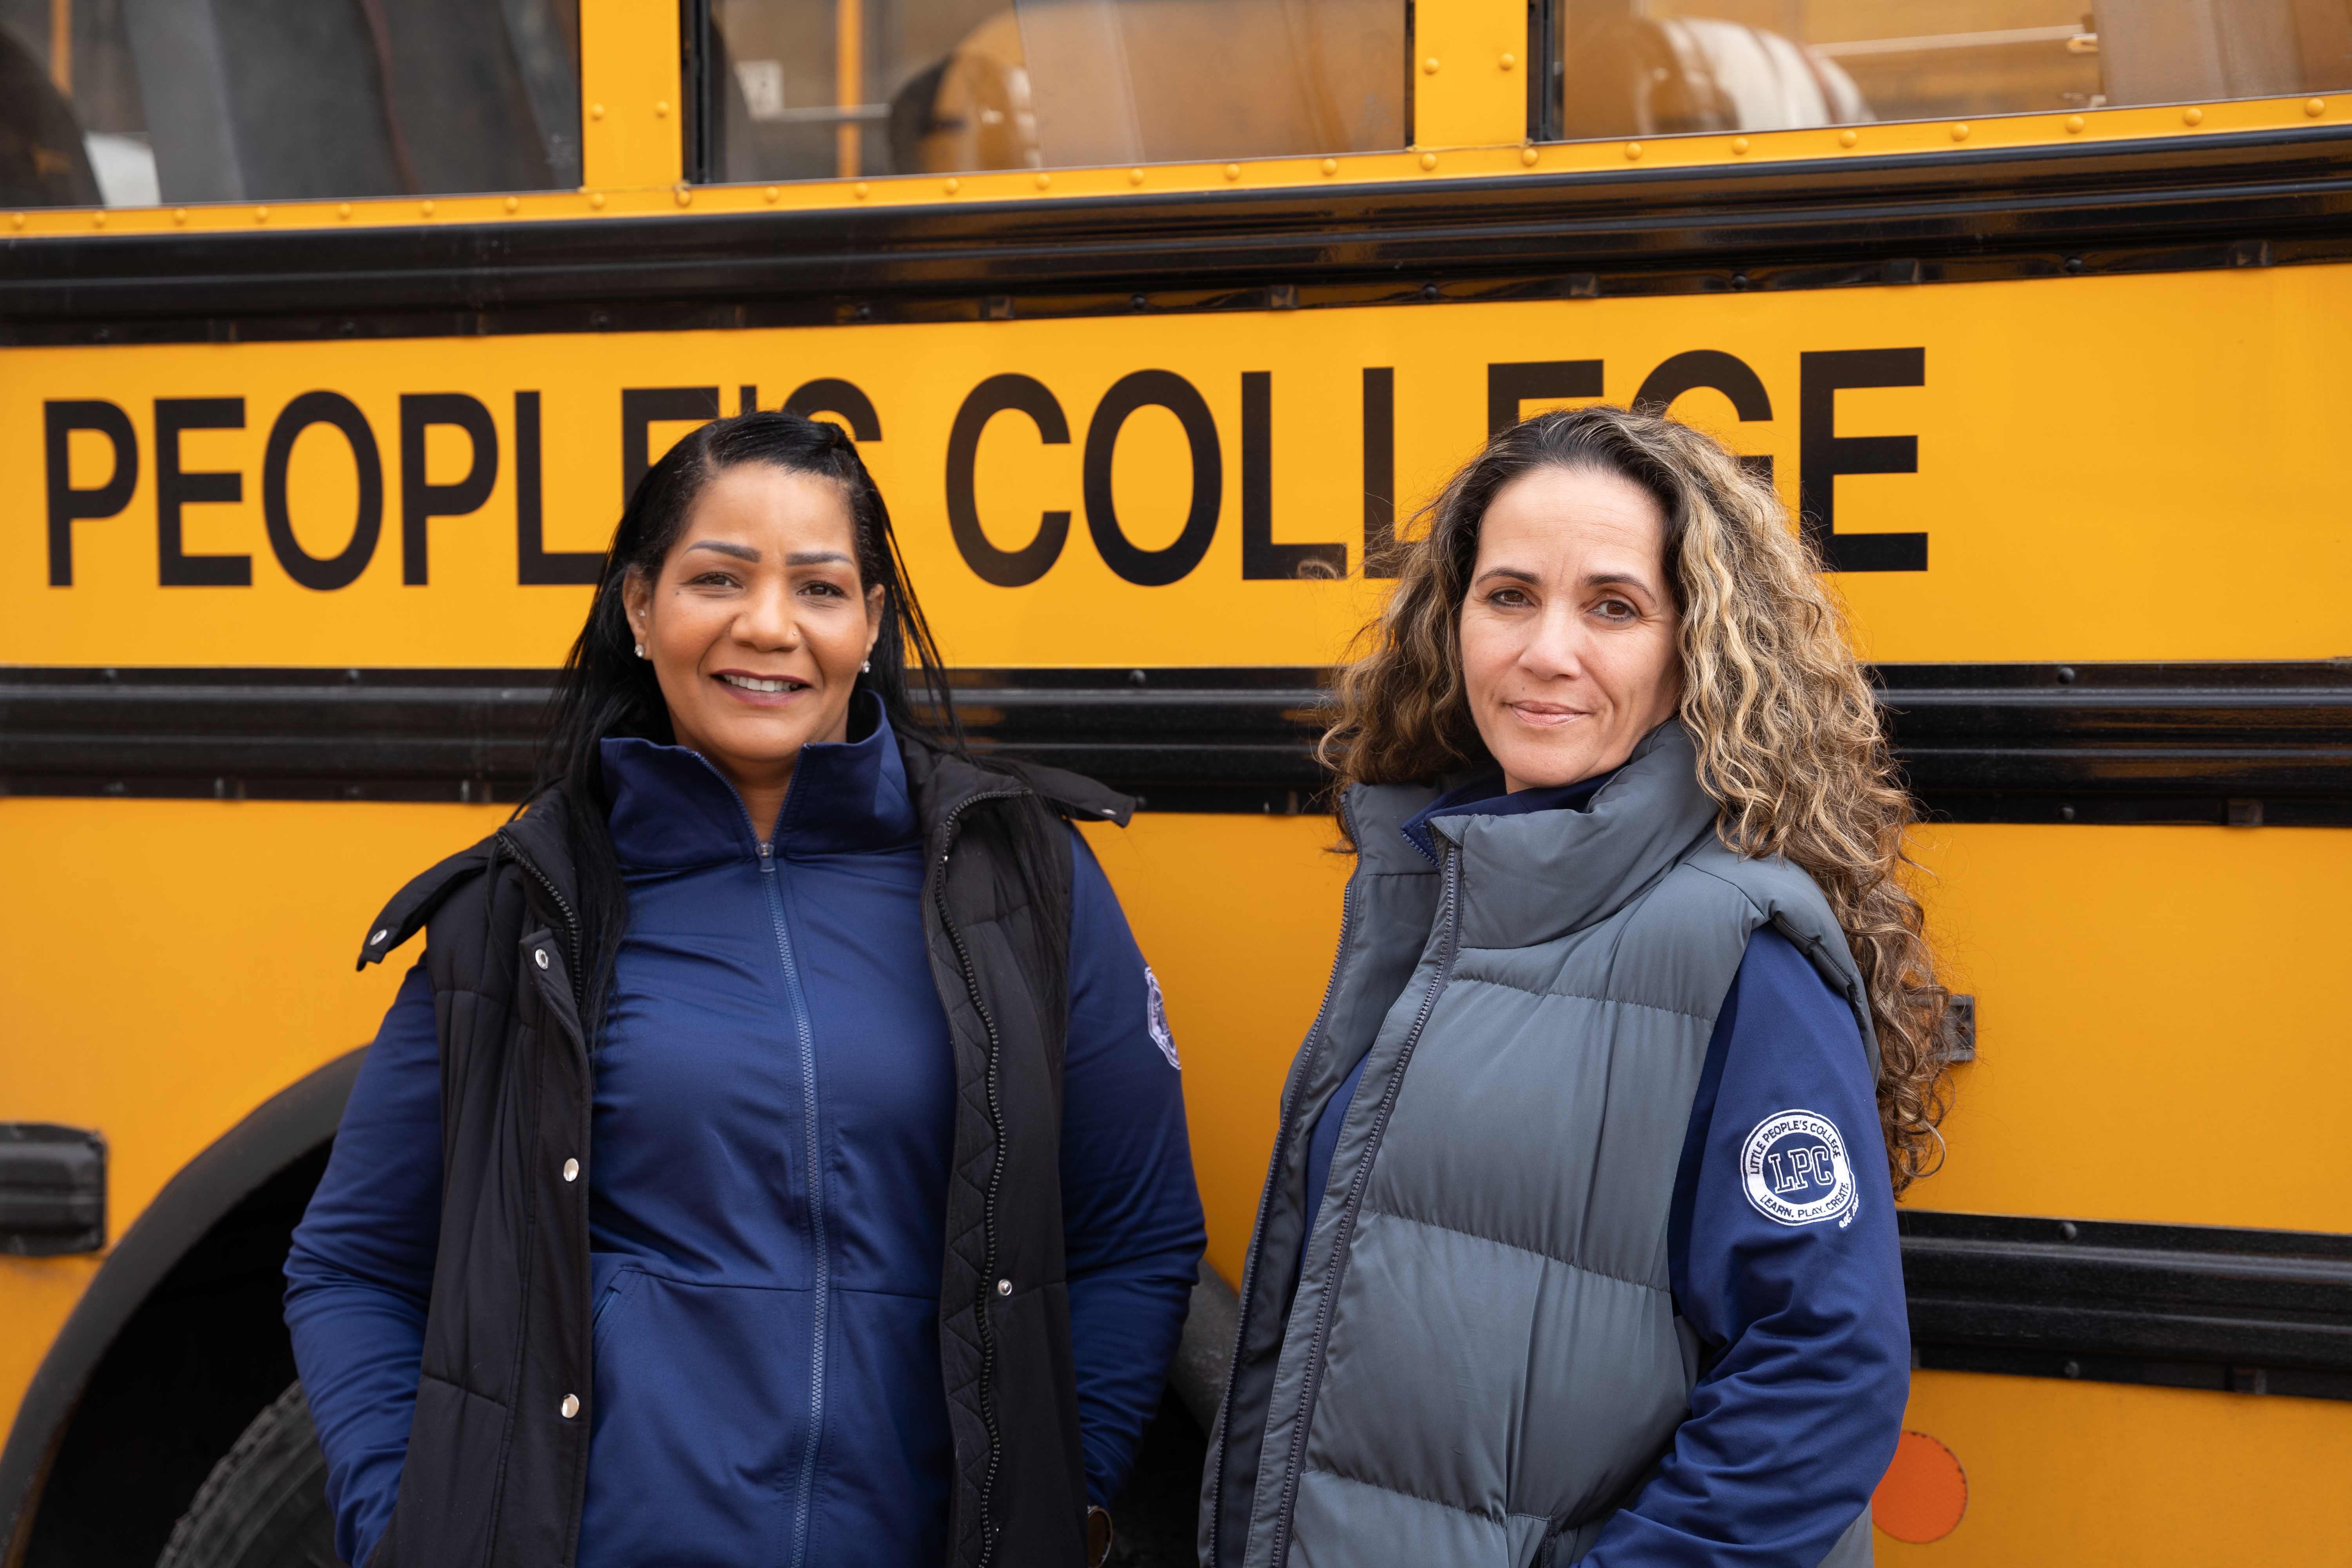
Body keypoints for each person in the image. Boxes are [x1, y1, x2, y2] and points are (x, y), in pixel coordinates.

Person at [285, 410, 1205, 1568]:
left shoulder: (1019, 879)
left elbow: (1134, 1237)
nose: (767, 627)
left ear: (870, 623)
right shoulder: (521, 911)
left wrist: (1048, 1506)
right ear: (638, 608)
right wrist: (409, 1533)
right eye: (716, 578)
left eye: (819, 590)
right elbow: (353, 1264)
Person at [1200, 405, 1949, 1568]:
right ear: (1452, 624)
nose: (1547, 651)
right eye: (1508, 597)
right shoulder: (1431, 892)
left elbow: (1821, 1376)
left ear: (1694, 643)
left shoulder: (1738, 946)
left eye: (1614, 606)